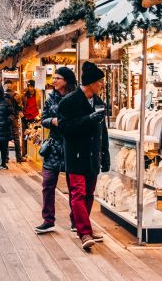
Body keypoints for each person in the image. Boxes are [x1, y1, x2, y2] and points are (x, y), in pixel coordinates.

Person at [57, 62, 109, 250]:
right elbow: (64, 127)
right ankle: (84, 232)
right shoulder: (69, 102)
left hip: (92, 155)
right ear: (91, 83)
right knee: (78, 194)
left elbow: (103, 130)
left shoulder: (99, 103)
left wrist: (105, 153)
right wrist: (87, 120)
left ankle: (84, 225)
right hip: (76, 155)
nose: (102, 85)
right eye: (100, 82)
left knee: (88, 194)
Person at [34, 67, 76, 234]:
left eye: (58, 77)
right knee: (47, 183)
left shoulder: (76, 98)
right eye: (54, 77)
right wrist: (52, 121)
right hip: (53, 147)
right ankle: (48, 220)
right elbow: (43, 119)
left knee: (74, 187)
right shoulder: (50, 98)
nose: (54, 80)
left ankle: (76, 220)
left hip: (71, 146)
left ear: (66, 80)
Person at [5, 86, 24, 163]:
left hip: (6, 119)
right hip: (14, 119)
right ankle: (19, 158)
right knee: (16, 138)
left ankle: (6, 158)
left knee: (6, 139)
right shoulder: (16, 95)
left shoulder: (4, 96)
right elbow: (19, 107)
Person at [21, 80, 39, 157]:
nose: (30, 88)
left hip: (35, 118)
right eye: (29, 86)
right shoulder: (24, 96)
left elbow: (39, 106)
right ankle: (25, 153)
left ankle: (33, 155)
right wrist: (23, 116)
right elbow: (21, 107)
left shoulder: (38, 95)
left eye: (32, 86)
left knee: (34, 136)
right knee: (25, 136)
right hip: (26, 118)